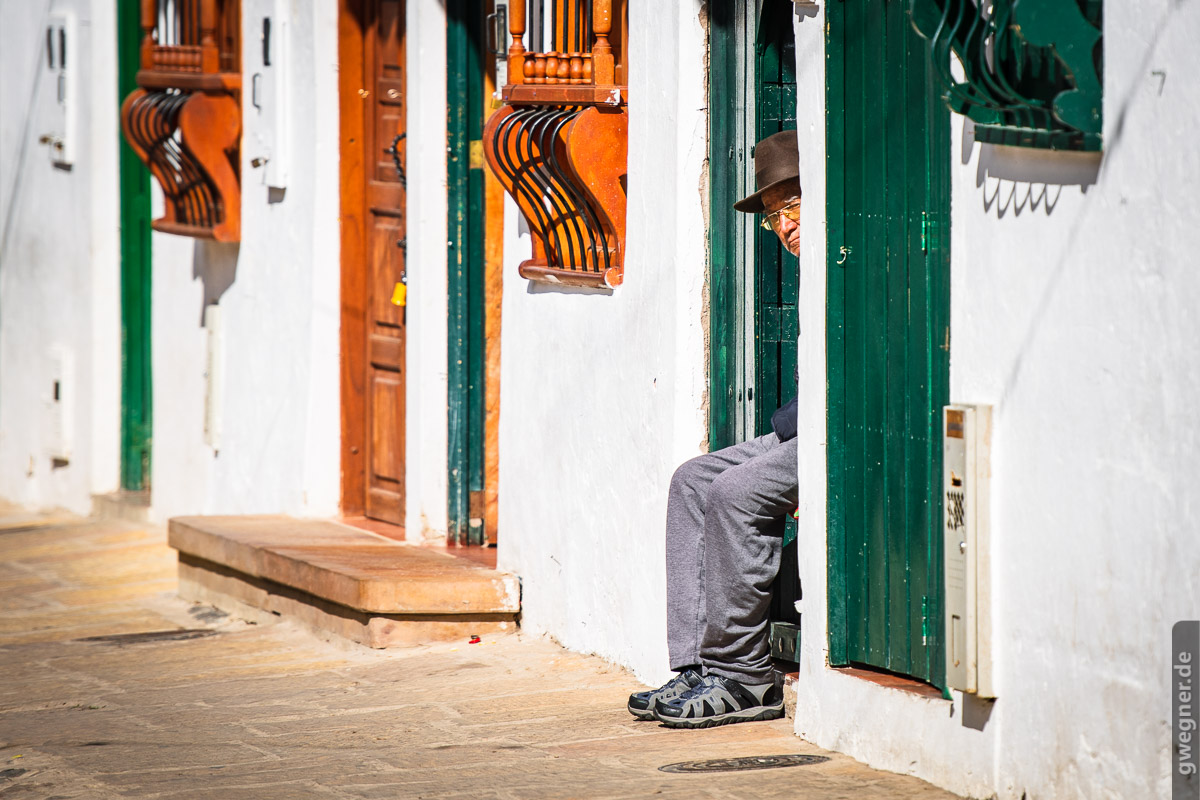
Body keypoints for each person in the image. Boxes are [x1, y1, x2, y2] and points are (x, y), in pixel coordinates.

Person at [628, 130, 802, 729]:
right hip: (802, 429)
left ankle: (747, 677)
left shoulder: (851, 254)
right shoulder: (811, 263)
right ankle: (698, 666)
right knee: (693, 481)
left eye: (795, 203)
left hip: (846, 435)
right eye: (775, 213)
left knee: (736, 493)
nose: (785, 223)